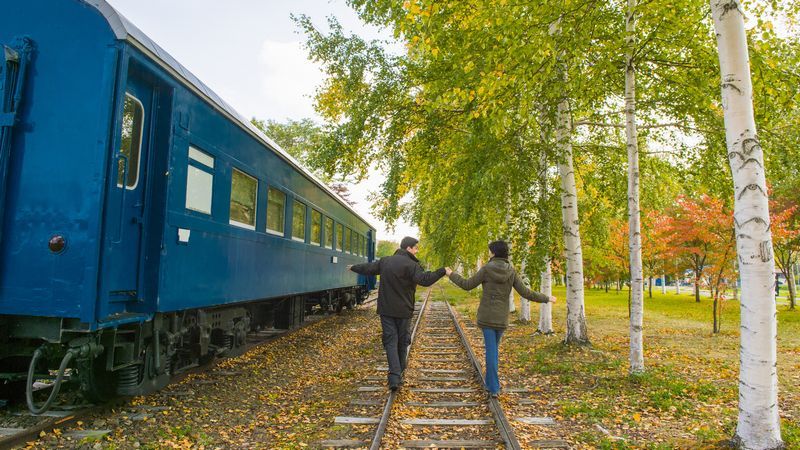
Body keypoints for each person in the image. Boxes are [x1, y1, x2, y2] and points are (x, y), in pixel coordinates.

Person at [445, 240, 556, 397]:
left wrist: (451, 274)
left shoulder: (486, 269)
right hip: (502, 318)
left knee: (491, 351)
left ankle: (494, 387)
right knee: (493, 350)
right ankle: (492, 384)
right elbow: (526, 292)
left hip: (487, 316)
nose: (489, 253)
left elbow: (467, 284)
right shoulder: (511, 271)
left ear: (494, 253)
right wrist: (546, 298)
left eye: (490, 251)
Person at [349, 237, 446, 391]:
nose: (417, 250)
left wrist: (354, 267)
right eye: (415, 248)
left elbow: (368, 268)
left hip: (386, 309)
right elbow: (425, 280)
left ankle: (395, 376)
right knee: (402, 341)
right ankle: (398, 374)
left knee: (390, 341)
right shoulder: (412, 265)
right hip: (404, 310)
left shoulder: (385, 261)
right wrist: (442, 271)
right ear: (408, 248)